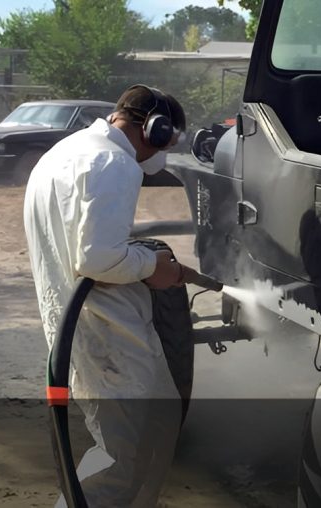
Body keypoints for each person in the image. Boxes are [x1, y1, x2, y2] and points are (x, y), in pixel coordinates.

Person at [23, 84, 195, 507]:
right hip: (109, 333)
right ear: (152, 129)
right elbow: (97, 258)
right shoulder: (115, 162)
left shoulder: (66, 152)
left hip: (86, 324)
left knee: (157, 422)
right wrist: (156, 266)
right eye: (166, 142)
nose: (163, 155)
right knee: (121, 459)